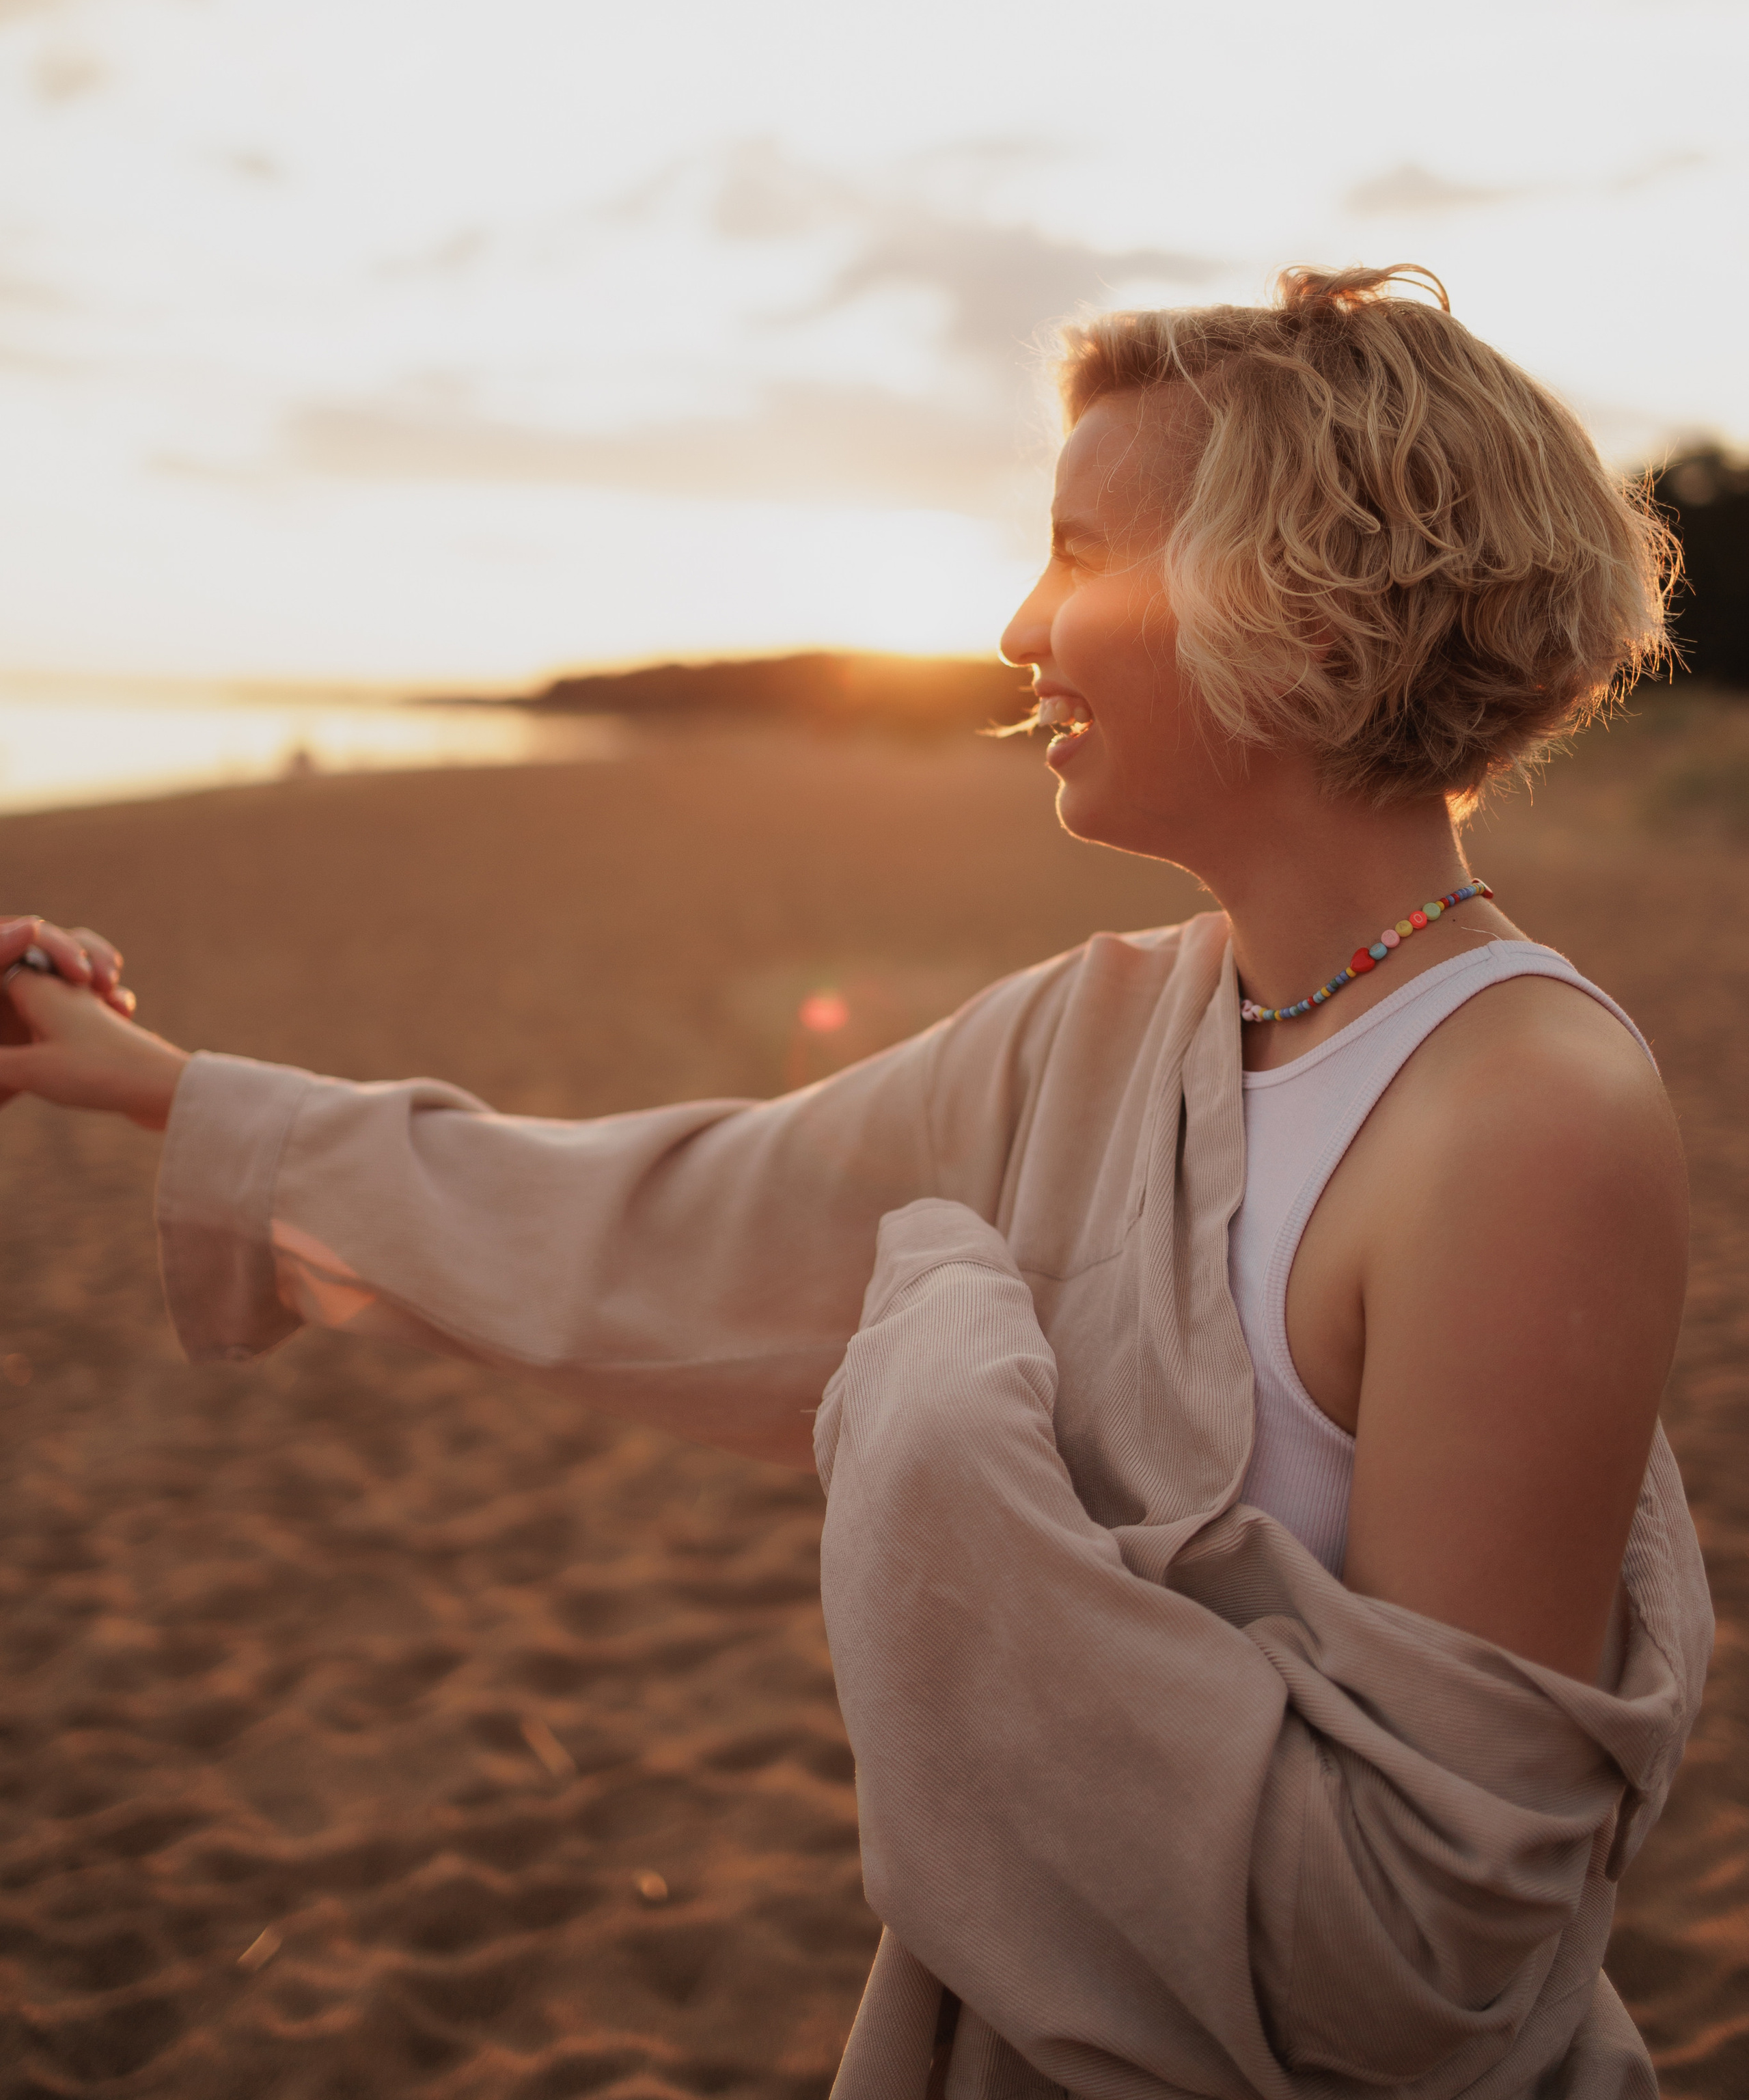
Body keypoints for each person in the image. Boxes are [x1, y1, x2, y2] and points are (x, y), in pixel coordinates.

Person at [0, 264, 1711, 2100]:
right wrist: (158, 1088)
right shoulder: (1110, 1027)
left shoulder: (1523, 1110)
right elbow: (661, 1217)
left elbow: (1430, 1948)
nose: (1019, 624)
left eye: (1079, 551)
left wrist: (944, 1420)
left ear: (1291, 595)